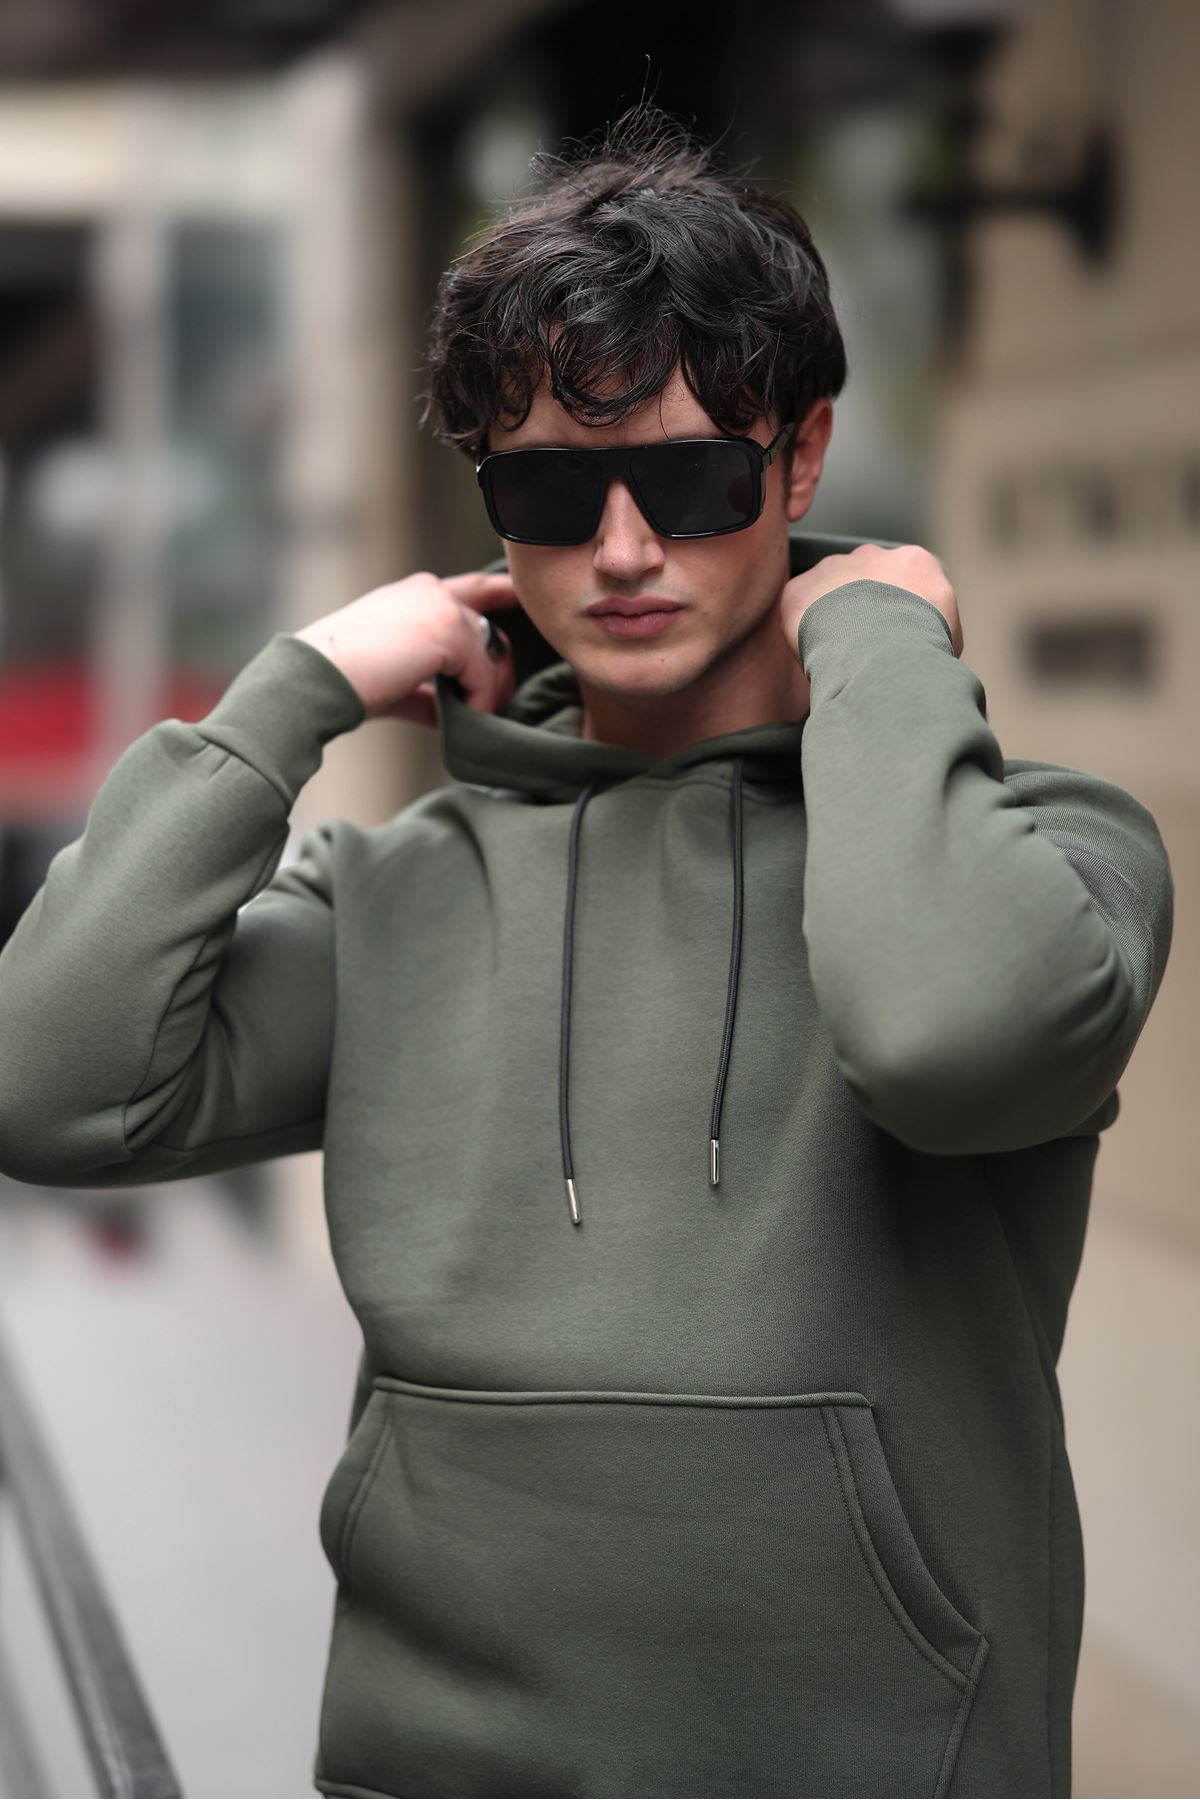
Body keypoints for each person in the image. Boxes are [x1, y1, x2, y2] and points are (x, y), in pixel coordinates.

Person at [0, 102, 1174, 1800]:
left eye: (691, 480)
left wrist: (880, 647)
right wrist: (294, 692)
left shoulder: (1044, 853)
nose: (622, 550)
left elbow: (949, 1033)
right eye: (552, 488)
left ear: (801, 460)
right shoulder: (394, 894)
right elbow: (41, 1081)